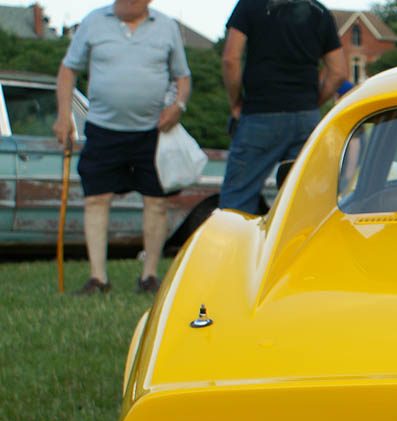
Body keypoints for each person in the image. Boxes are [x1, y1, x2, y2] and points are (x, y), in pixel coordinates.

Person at [53, 0, 191, 295]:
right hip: (103, 129)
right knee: (96, 199)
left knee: (156, 201)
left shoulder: (167, 27)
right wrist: (64, 116)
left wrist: (178, 106)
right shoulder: (93, 21)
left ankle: (150, 276)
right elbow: (68, 70)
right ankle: (98, 278)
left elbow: (183, 77)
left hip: (153, 129)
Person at [219, 0, 349, 214]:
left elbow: (230, 59)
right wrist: (311, 102)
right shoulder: (319, 11)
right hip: (306, 119)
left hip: (260, 115)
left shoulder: (250, 5)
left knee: (236, 204)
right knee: (307, 205)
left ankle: (236, 247)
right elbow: (338, 72)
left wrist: (236, 102)